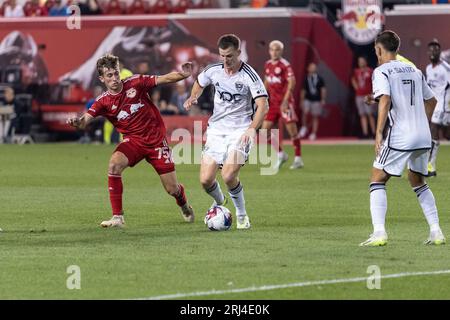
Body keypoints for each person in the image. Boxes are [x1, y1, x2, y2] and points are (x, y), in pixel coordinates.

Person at [66, 54, 195, 228]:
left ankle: (184, 204)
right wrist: (77, 122)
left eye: (116, 73)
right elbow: (84, 121)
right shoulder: (102, 101)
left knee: (172, 189)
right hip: (133, 142)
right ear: (101, 78)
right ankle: (118, 217)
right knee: (114, 165)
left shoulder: (135, 83)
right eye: (109, 75)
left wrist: (183, 74)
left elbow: (163, 79)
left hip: (156, 141)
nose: (114, 78)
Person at [360, 30, 445, 247]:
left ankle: (379, 233)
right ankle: (436, 232)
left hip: (401, 135)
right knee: (418, 181)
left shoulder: (382, 71)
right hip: (423, 135)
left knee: (377, 178)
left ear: (379, 49)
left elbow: (386, 99)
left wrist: (378, 132)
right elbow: (432, 101)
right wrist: (419, 121)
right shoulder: (414, 70)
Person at [184, 34, 269, 230]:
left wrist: (250, 130)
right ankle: (220, 202)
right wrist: (193, 96)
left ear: (238, 53)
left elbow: (262, 105)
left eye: (229, 56)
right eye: (222, 56)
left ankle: (242, 216)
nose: (225, 60)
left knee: (229, 175)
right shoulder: (214, 70)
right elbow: (199, 81)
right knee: (205, 180)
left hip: (240, 131)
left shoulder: (249, 75)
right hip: (216, 131)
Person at [262, 40, 303, 171]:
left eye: (277, 49)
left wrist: (286, 101)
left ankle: (298, 159)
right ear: (269, 51)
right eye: (272, 49)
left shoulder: (285, 65)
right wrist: (261, 95)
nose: (274, 52)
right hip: (273, 103)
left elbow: (292, 82)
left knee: (292, 131)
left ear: (281, 51)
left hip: (285, 103)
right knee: (264, 131)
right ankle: (281, 154)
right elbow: (267, 81)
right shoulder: (268, 64)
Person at [425, 39, 450, 177]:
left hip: (445, 105)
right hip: (435, 105)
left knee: (433, 129)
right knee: (446, 134)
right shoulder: (428, 68)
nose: (433, 52)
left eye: (436, 49)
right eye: (431, 49)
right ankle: (430, 166)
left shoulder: (445, 68)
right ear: (428, 52)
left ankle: (431, 166)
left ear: (440, 52)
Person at [299, 62, 326, 140]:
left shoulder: (320, 78)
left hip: (316, 100)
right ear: (308, 68)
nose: (312, 68)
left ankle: (313, 133)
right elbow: (303, 90)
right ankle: (304, 127)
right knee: (305, 112)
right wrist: (301, 100)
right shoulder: (306, 79)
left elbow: (323, 89)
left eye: (314, 67)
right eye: (311, 67)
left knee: (315, 116)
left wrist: (323, 99)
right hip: (307, 99)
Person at [352, 56, 375, 138]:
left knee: (370, 114)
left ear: (365, 62)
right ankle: (365, 133)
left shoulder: (370, 71)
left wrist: (373, 92)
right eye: (359, 61)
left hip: (368, 95)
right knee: (362, 114)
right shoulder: (356, 71)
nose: (361, 63)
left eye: (362, 61)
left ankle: (373, 132)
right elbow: (353, 79)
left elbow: (374, 81)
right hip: (359, 95)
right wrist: (356, 87)